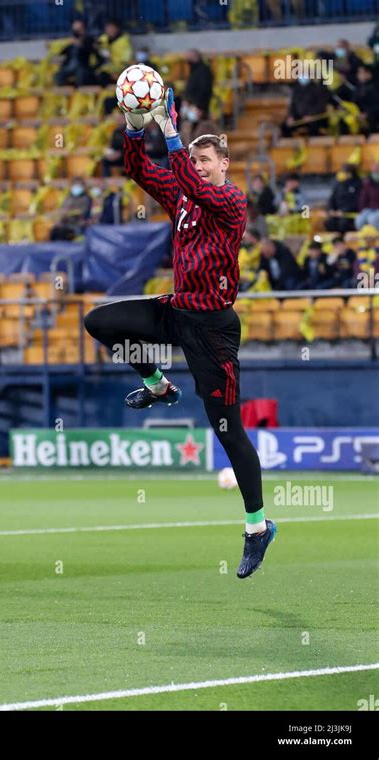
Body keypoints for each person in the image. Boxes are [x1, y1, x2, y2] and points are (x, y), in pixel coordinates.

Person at [84, 89, 277, 579]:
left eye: (206, 158)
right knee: (101, 321)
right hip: (177, 311)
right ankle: (158, 386)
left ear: (225, 164)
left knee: (228, 431)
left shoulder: (229, 200)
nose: (199, 165)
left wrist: (171, 134)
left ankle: (258, 529)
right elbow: (139, 171)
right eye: (195, 159)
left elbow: (194, 186)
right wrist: (133, 126)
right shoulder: (184, 196)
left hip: (213, 328)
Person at [54, 19, 101, 87]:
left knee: (81, 75)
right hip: (69, 67)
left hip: (82, 67)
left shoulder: (89, 40)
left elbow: (93, 51)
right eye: (74, 30)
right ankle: (71, 87)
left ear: (83, 29)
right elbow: (61, 52)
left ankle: (78, 91)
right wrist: (67, 43)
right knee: (58, 76)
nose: (76, 32)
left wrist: (81, 44)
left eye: (78, 29)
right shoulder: (70, 41)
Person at [325, 163, 362, 233]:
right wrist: (331, 209)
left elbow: (357, 201)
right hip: (337, 213)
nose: (343, 174)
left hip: (350, 213)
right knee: (329, 222)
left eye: (345, 172)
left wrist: (344, 211)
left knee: (343, 223)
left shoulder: (358, 184)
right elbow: (332, 198)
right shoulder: (338, 184)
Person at [97, 20, 133, 87]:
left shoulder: (124, 41)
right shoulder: (103, 39)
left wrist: (110, 56)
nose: (109, 30)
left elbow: (125, 61)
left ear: (116, 28)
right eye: (107, 28)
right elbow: (96, 47)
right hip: (105, 69)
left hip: (120, 70)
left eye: (111, 28)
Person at [183, 50, 213, 115]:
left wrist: (197, 104)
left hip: (197, 105)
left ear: (195, 57)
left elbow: (204, 89)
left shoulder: (202, 71)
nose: (187, 60)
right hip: (193, 104)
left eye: (189, 58)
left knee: (193, 122)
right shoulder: (195, 70)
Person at [354, 64, 379, 135]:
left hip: (373, 117)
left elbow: (376, 105)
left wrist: (367, 114)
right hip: (359, 116)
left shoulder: (375, 87)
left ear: (369, 74)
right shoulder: (359, 87)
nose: (358, 75)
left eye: (361, 72)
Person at [356, 161, 379, 230]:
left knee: (373, 219)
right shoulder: (368, 182)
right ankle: (363, 237)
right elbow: (363, 198)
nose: (376, 171)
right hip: (370, 208)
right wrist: (361, 210)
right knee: (359, 220)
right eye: (374, 169)